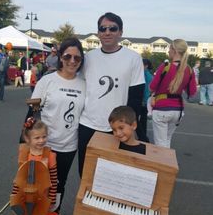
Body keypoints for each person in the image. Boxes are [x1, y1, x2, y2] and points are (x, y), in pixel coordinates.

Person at [67, 106, 146, 215]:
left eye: (121, 128)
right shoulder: (108, 144)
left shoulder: (143, 150)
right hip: (104, 196)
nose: (117, 133)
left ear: (134, 125)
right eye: (113, 129)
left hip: (127, 201)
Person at [78, 12, 146, 178]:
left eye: (112, 28)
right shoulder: (88, 58)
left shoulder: (133, 58)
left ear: (120, 32)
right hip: (88, 124)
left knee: (110, 177)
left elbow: (136, 97)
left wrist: (128, 127)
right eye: (103, 29)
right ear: (98, 33)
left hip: (116, 129)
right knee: (85, 173)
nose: (107, 32)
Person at [31, 37, 85, 215]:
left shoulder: (84, 83)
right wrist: (30, 142)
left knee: (58, 187)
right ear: (60, 57)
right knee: (39, 187)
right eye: (68, 56)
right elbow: (33, 113)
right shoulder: (47, 81)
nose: (72, 61)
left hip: (68, 146)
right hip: (46, 145)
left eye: (77, 58)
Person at [10, 119, 57, 215]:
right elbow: (19, 178)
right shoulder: (24, 154)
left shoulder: (50, 156)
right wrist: (15, 196)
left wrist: (52, 199)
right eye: (37, 138)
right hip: (25, 197)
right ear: (27, 139)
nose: (41, 140)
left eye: (44, 136)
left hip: (43, 197)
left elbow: (54, 180)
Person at [149, 39, 197, 148]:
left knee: (160, 144)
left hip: (161, 109)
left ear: (174, 50)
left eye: (169, 48)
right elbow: (192, 92)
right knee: (166, 140)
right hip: (177, 111)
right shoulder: (189, 70)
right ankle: (167, 163)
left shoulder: (165, 66)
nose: (168, 51)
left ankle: (162, 164)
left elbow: (152, 87)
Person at [139, 59, 153, 138]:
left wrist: (144, 101)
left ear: (146, 66)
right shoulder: (150, 75)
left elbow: (146, 90)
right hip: (146, 101)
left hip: (143, 100)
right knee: (143, 120)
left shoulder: (145, 75)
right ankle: (143, 135)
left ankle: (142, 136)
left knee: (139, 119)